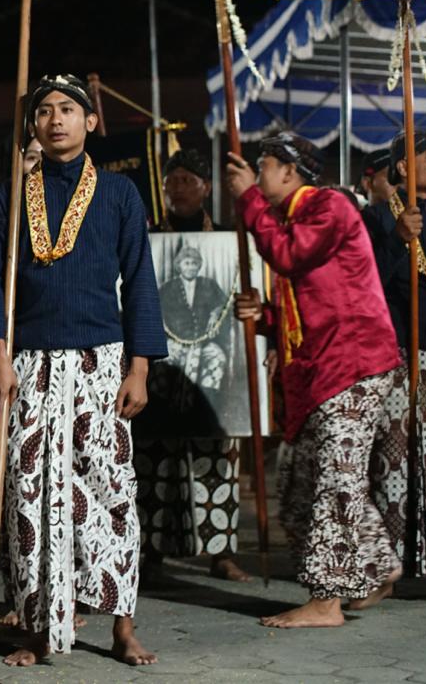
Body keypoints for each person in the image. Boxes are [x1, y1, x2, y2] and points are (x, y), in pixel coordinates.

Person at [0, 73, 164, 666]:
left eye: (68, 109)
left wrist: (140, 369)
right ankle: (37, 625)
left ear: (91, 121)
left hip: (101, 361)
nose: (56, 119)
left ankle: (122, 625)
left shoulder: (120, 194)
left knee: (109, 491)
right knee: (32, 493)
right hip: (28, 362)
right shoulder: (10, 192)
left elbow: (141, 283)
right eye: (44, 111)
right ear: (32, 126)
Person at [227, 131, 401, 628]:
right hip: (317, 371)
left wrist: (248, 201)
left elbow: (289, 255)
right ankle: (379, 566)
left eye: (262, 168)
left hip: (353, 362)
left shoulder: (330, 207)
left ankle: (327, 599)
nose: (257, 178)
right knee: (303, 479)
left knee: (335, 479)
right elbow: (301, 304)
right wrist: (261, 316)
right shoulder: (288, 217)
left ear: (289, 170)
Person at [138, 149, 250, 582]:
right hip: (161, 365)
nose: (180, 188)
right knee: (151, 458)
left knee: (216, 453)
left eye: (189, 180)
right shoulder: (145, 241)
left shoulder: (228, 240)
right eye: (173, 181)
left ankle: (221, 552)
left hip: (207, 368)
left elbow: (233, 308)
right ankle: (151, 550)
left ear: (205, 187)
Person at [362, 130, 426, 582]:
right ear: (405, 167)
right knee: (397, 459)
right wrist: (396, 237)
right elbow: (367, 280)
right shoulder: (373, 218)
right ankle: (392, 565)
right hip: (397, 357)